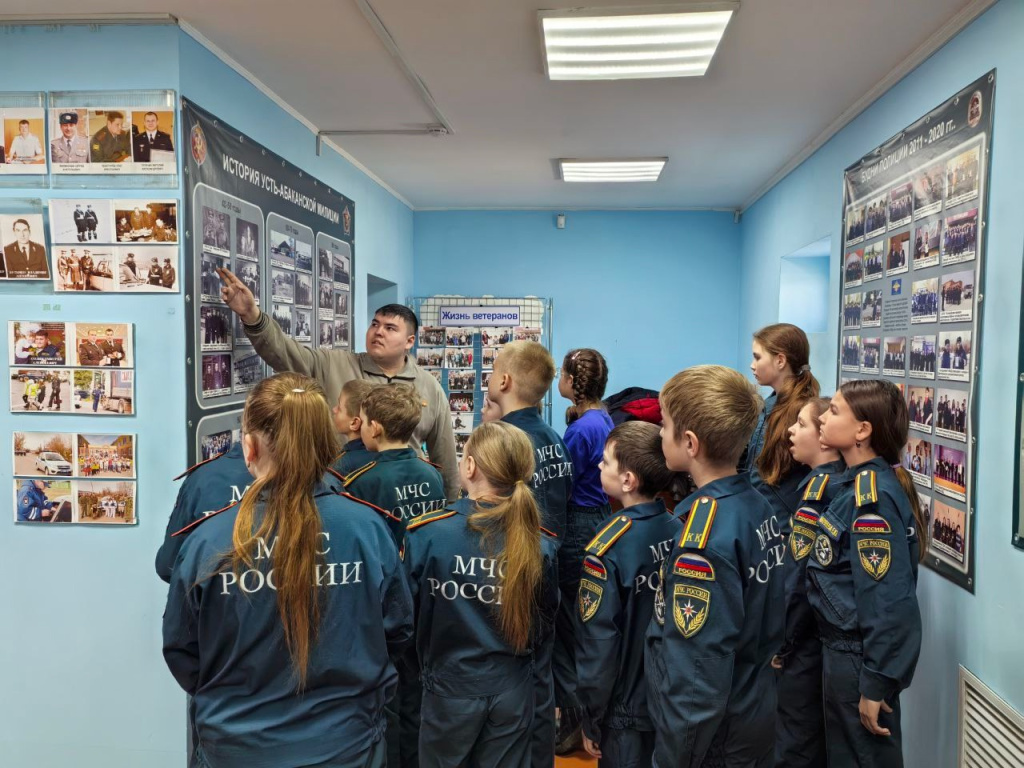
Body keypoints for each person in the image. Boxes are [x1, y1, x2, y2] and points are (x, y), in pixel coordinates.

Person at [162, 373, 413, 767]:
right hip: (345, 744)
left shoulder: (208, 540)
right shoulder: (367, 529)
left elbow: (182, 649)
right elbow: (397, 630)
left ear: (249, 448)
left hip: (239, 744)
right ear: (326, 444)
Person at [217, 266, 459, 500]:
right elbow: (286, 353)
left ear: (409, 341)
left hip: (405, 503)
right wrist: (253, 317)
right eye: (375, 324)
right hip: (341, 498)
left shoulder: (429, 387)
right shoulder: (335, 364)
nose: (378, 332)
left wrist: (449, 507)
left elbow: (444, 455)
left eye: (390, 328)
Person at [647, 365, 783, 768]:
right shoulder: (757, 505)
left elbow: (697, 676)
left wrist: (671, 759)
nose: (659, 433)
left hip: (715, 731)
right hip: (755, 703)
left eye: (664, 424)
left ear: (690, 443)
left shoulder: (703, 542)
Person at [402, 421, 559, 768]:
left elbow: (406, 622)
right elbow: (544, 628)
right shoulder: (540, 543)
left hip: (449, 689)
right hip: (512, 691)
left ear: (470, 466)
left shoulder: (428, 535)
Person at [809, 380, 925, 767]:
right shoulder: (853, 484)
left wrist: (875, 682)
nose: (823, 418)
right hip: (842, 652)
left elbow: (887, 600)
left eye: (834, 411)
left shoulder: (873, 500)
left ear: (862, 430)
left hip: (858, 658)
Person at [485, 339, 573, 766]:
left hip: (515, 572)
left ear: (503, 381)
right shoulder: (552, 436)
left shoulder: (507, 439)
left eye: (492, 370)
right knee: (540, 673)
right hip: (548, 569)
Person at [573, 422, 678, 767]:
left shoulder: (608, 548)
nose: (599, 466)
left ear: (628, 480)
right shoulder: (679, 528)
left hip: (625, 713)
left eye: (605, 462)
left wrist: (591, 716)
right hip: (671, 699)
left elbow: (599, 645)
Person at [773, 397, 850, 768]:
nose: (791, 430)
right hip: (820, 639)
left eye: (801, 424)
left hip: (804, 643)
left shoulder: (819, 492)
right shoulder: (833, 482)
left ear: (823, 438)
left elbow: (798, 578)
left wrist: (781, 642)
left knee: (796, 742)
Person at [553, 348, 613, 752]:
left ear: (573, 382)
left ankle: (574, 719)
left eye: (562, 373)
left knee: (568, 627)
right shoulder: (601, 417)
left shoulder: (580, 431)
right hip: (598, 519)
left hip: (577, 523)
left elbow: (564, 483)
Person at [344, 384, 447, 544]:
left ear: (375, 429)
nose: (361, 428)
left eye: (363, 422)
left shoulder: (361, 483)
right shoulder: (433, 474)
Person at [746, 323, 820, 520]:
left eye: (757, 357)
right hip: (762, 516)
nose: (752, 365)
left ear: (780, 360)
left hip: (782, 523)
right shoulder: (770, 404)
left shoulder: (802, 412)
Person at [331, 379, 378, 476]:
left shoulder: (342, 466)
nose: (334, 410)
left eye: (339, 408)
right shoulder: (382, 456)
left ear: (354, 423)